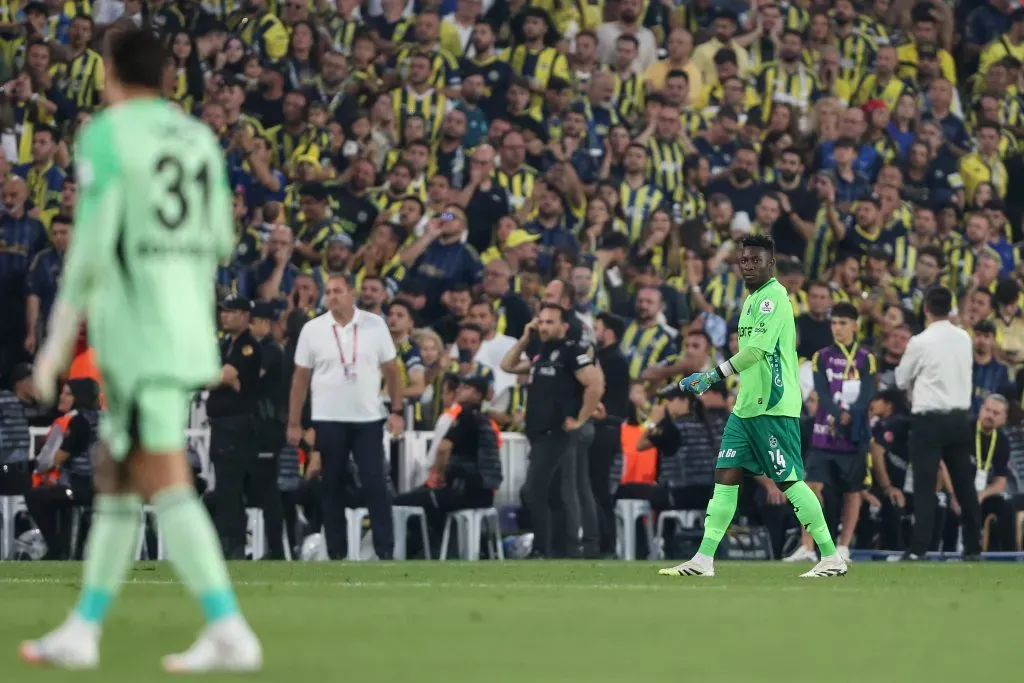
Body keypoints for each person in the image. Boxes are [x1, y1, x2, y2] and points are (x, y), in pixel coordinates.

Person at [25, 29, 261, 672]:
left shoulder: (107, 135)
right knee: (120, 477)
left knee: (161, 475)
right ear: (167, 78)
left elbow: (92, 248)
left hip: (136, 334)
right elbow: (218, 240)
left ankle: (227, 625)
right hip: (186, 328)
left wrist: (51, 352)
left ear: (109, 75)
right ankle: (84, 627)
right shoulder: (198, 139)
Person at [660, 234, 847, 578]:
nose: (748, 266)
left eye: (755, 261)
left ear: (770, 263)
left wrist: (711, 376)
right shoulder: (751, 300)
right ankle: (703, 560)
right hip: (747, 407)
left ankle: (831, 555)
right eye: (744, 261)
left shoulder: (773, 298)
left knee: (788, 481)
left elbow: (757, 352)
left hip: (773, 405)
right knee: (725, 477)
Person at [287, 273, 405, 560]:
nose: (332, 297)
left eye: (338, 291)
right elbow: (300, 378)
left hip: (368, 419)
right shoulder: (313, 329)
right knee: (331, 485)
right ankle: (337, 553)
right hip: (328, 418)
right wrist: (294, 422)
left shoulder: (374, 325)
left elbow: (391, 370)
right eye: (328, 292)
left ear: (351, 292)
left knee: (375, 482)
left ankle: (385, 551)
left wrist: (397, 411)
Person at [500, 303, 604, 558]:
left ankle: (542, 549)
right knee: (550, 492)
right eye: (541, 322)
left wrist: (581, 419)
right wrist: (525, 339)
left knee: (534, 490)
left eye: (550, 322)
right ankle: (560, 549)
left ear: (563, 326)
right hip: (537, 434)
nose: (544, 327)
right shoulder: (540, 352)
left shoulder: (571, 352)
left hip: (556, 433)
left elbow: (595, 385)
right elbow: (507, 365)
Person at [894, 286, 980, 561]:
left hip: (928, 420)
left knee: (924, 485)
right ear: (951, 308)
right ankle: (974, 548)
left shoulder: (921, 341)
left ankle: (919, 548)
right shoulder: (964, 338)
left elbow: (899, 379)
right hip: (958, 419)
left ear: (926, 308)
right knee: (965, 485)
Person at [786, 302, 874, 563]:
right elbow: (821, 393)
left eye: (843, 323)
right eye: (834, 323)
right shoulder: (821, 356)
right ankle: (808, 546)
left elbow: (867, 392)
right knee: (811, 486)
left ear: (855, 326)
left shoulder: (865, 357)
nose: (838, 328)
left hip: (854, 433)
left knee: (852, 490)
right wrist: (837, 414)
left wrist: (851, 415)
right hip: (825, 431)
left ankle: (843, 546)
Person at [207, 295, 262, 559]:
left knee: (231, 485)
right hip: (221, 424)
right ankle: (227, 542)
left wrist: (211, 376)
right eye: (223, 312)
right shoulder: (226, 345)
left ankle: (235, 545)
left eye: (231, 312)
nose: (225, 316)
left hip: (236, 425)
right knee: (223, 486)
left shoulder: (248, 346)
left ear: (244, 315)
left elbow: (225, 375)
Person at [250, 300, 287, 559]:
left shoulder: (271, 350)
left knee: (267, 488)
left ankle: (276, 549)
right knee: (257, 487)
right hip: (255, 427)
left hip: (268, 427)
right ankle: (262, 547)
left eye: (252, 321)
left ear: (265, 323)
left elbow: (251, 377)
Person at [591, 312, 630, 556]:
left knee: (598, 489)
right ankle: (602, 542)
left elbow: (612, 403)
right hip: (605, 430)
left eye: (597, 328)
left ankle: (605, 544)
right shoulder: (606, 358)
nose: (593, 333)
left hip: (605, 431)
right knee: (596, 489)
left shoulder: (612, 360)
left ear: (609, 333)